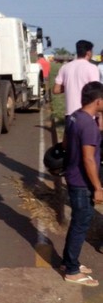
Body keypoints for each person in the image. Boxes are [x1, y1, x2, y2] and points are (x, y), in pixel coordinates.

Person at [60, 81, 103, 287]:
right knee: (80, 224)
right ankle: (72, 271)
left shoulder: (75, 116)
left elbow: (65, 143)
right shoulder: (89, 126)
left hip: (72, 175)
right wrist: (97, 187)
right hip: (82, 182)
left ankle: (69, 261)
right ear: (98, 101)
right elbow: (88, 159)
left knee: (77, 223)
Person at [53, 40, 99, 123]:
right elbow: (96, 92)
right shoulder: (92, 68)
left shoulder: (65, 67)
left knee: (71, 135)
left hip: (70, 114)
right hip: (87, 113)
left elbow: (56, 90)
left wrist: (69, 86)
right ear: (88, 53)